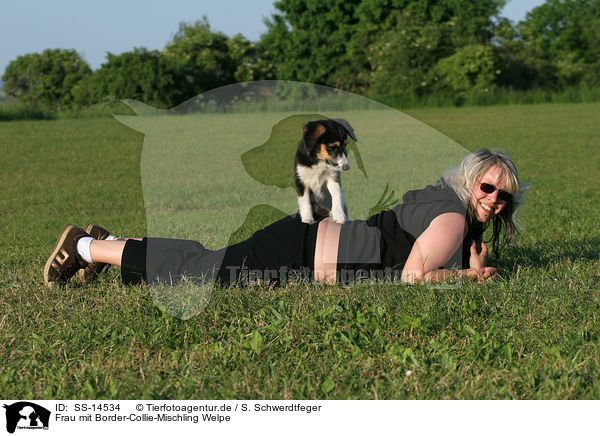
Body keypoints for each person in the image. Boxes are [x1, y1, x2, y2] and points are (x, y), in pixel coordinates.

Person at [43, 148, 525, 288]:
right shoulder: (454, 219)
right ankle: (84, 248)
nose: (495, 200)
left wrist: (466, 256)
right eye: (488, 187)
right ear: (470, 182)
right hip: (298, 251)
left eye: (504, 196)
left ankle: (112, 242)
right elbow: (414, 277)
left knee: (205, 261)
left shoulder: (444, 201)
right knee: (196, 273)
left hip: (305, 244)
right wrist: (469, 275)